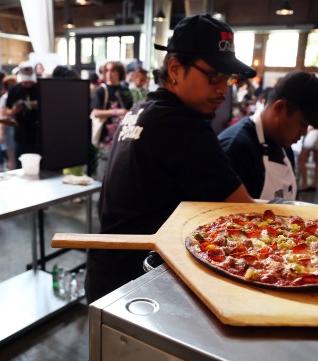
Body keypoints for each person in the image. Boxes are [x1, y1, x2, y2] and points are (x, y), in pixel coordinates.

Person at [85, 14, 256, 303]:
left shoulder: (143, 108)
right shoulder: (182, 124)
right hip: (138, 282)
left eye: (228, 78)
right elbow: (244, 212)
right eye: (213, 76)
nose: (223, 89)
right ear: (175, 68)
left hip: (106, 272)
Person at [218, 71, 318, 200]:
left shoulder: (284, 146)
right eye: (303, 124)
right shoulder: (236, 149)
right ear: (279, 108)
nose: (304, 132)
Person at [5, 61, 40, 167]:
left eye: (30, 81)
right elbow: (6, 111)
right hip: (20, 132)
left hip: (37, 132)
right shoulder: (14, 90)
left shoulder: (39, 88)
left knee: (36, 162)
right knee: (20, 162)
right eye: (25, 81)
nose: (28, 84)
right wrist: (15, 110)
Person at [296, 126, 318, 192]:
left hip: (314, 132)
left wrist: (308, 128)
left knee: (301, 159)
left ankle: (304, 183)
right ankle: (314, 184)